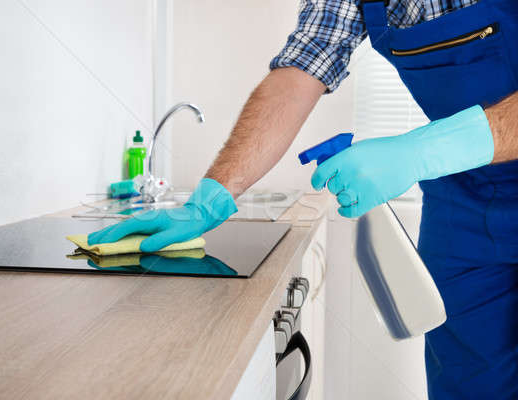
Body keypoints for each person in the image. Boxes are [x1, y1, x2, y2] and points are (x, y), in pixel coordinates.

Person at [89, 0, 518, 397]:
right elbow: (298, 72)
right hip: (461, 206)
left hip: (456, 168)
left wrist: (420, 151)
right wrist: (212, 196)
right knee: (469, 383)